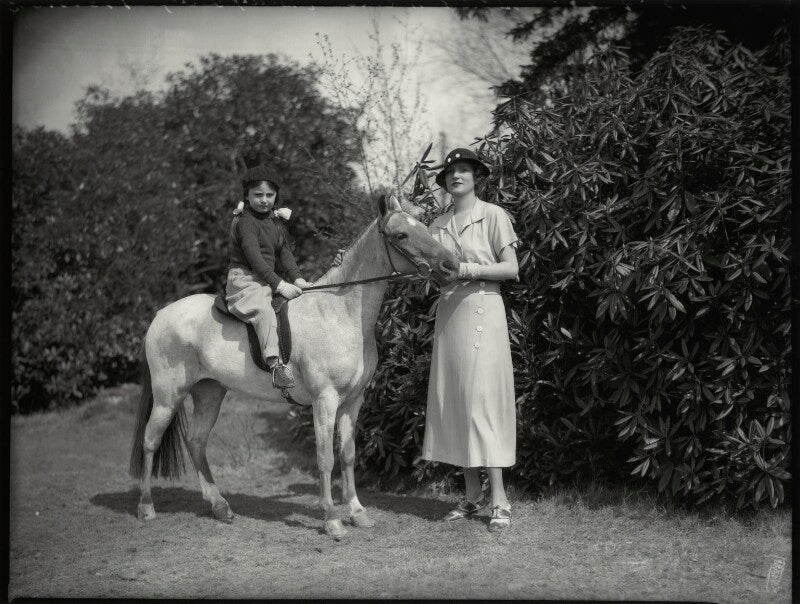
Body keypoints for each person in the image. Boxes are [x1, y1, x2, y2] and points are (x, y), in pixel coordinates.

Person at [422, 148, 520, 532]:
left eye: (464, 170)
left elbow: (512, 268)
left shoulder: (493, 214)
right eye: (451, 172)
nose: (456, 176)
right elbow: (430, 270)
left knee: (482, 401)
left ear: (476, 176)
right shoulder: (437, 224)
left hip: (484, 307)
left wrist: (468, 268)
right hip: (450, 315)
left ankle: (500, 499)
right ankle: (472, 496)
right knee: (459, 401)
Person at [225, 165, 310, 389]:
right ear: (247, 196)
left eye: (269, 195)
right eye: (258, 195)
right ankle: (276, 365)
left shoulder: (274, 222)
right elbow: (255, 259)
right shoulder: (245, 223)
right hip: (245, 280)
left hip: (266, 279)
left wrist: (298, 278)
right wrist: (280, 285)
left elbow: (284, 253)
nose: (264, 200)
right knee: (264, 311)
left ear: (276, 197)